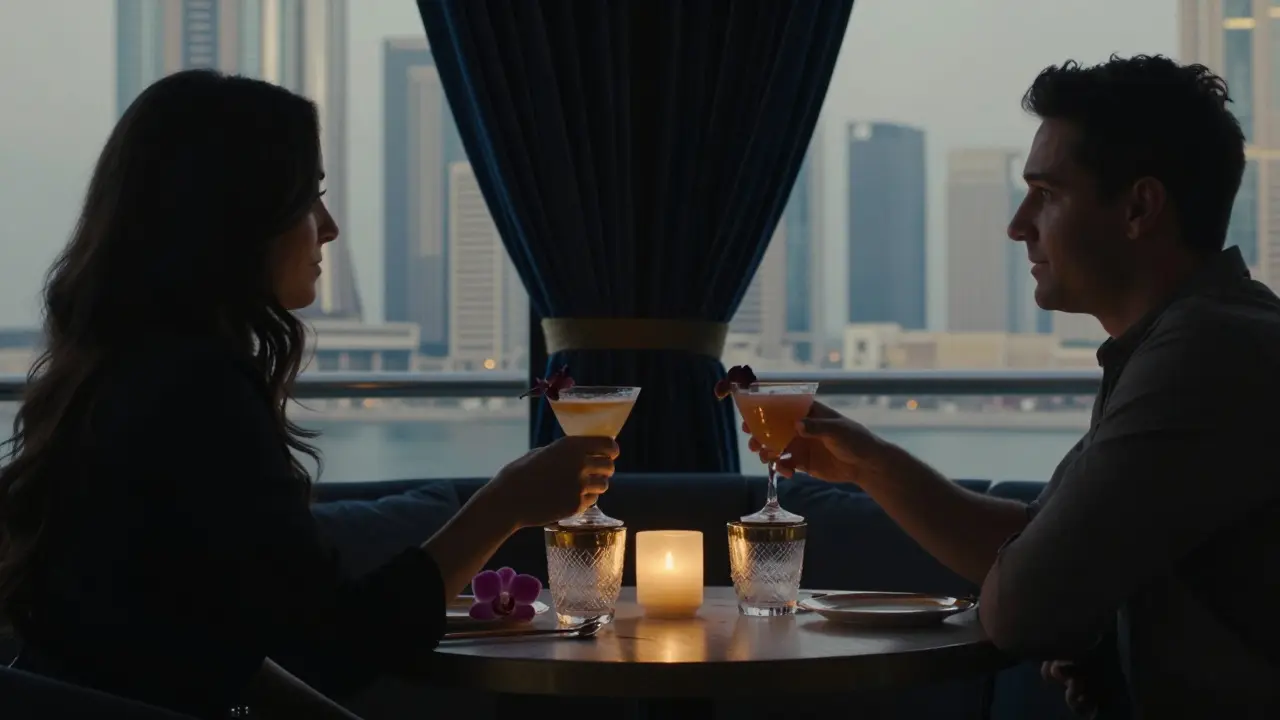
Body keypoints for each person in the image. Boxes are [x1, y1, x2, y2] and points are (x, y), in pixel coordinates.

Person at [0, 69, 618, 720]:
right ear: (236, 218)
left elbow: (209, 649)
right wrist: (502, 507)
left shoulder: (115, 379)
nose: (328, 228)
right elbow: (331, 645)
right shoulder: (197, 397)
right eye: (308, 199)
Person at [748, 55, 1280, 717]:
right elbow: (1034, 544)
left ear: (1139, 207)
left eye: (1047, 193)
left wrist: (1083, 616)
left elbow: (1026, 609)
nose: (1018, 223)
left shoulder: (1207, 355)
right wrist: (870, 466)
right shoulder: (1182, 340)